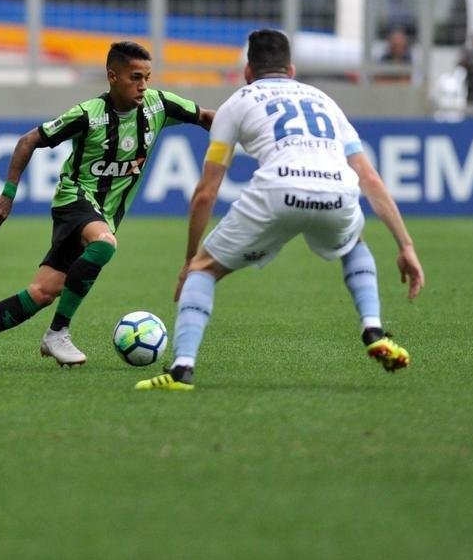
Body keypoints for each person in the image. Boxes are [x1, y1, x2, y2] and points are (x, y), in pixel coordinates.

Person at [136, 28, 423, 391]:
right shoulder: (324, 101)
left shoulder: (237, 103)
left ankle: (182, 370)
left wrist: (190, 260)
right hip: (336, 191)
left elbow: (205, 193)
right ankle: (372, 327)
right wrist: (406, 246)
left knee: (204, 271)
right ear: (291, 69)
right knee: (353, 243)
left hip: (277, 190)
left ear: (247, 71)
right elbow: (370, 178)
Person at [0, 41, 215, 370]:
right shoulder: (88, 115)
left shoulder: (158, 105)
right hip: (74, 199)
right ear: (112, 76)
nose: (143, 85)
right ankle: (57, 333)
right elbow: (29, 140)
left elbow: (207, 117)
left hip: (104, 212)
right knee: (105, 244)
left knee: (42, 292)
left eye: (147, 77)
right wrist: (8, 193)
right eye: (135, 77)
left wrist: (246, 124)